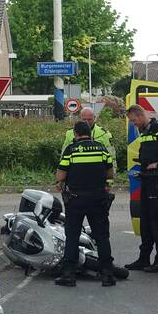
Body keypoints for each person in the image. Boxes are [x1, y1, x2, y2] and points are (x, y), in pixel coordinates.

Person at [55, 120, 116, 288]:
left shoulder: (71, 150)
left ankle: (69, 275)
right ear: (90, 133)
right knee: (102, 236)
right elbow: (110, 173)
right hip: (98, 198)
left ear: (75, 134)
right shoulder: (101, 149)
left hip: (76, 199)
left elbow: (60, 177)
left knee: (72, 236)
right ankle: (108, 275)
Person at [124, 105, 158, 273]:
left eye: (134, 120)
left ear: (140, 116)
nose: (134, 124)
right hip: (147, 178)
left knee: (156, 220)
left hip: (156, 179)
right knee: (145, 220)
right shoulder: (145, 131)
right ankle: (144, 258)